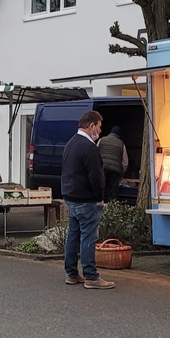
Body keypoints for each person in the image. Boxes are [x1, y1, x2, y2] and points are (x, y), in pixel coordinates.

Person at [61, 111, 114, 290]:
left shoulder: (70, 144)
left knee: (73, 236)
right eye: (99, 126)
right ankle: (91, 277)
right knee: (89, 237)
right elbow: (96, 177)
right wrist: (100, 198)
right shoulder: (89, 147)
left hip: (71, 197)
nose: (100, 131)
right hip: (86, 199)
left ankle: (71, 274)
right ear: (91, 125)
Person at [96, 125, 128, 203]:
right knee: (112, 194)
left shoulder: (101, 140)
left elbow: (94, 154)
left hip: (102, 170)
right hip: (114, 172)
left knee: (100, 192)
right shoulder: (121, 144)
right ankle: (112, 210)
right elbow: (125, 163)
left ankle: (99, 210)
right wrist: (121, 174)